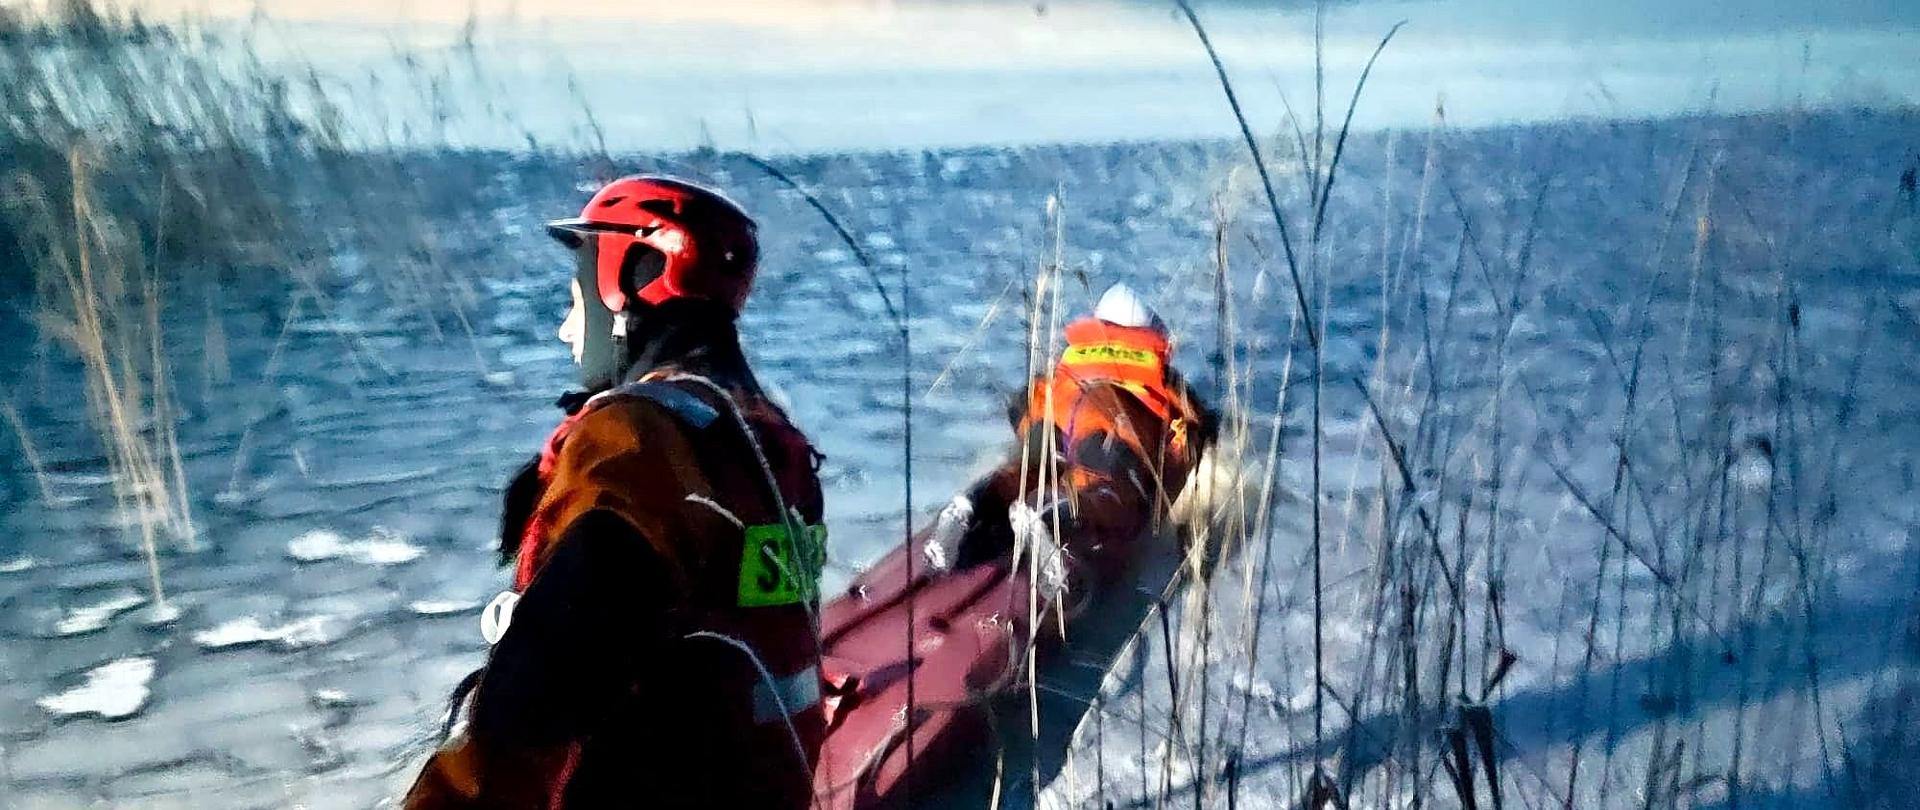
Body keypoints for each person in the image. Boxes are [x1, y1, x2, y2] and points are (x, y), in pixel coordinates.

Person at [405, 176, 827, 809]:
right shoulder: (767, 443)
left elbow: (536, 699)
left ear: (628, 282)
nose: (565, 329)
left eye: (575, 300)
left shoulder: (637, 442)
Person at [925, 283, 1217, 595]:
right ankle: (1045, 515)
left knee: (1027, 473)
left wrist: (1031, 430)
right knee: (1109, 495)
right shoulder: (1160, 375)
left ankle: (974, 501)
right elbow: (1193, 430)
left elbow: (1020, 405)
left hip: (1055, 416)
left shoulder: (1068, 363)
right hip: (1108, 424)